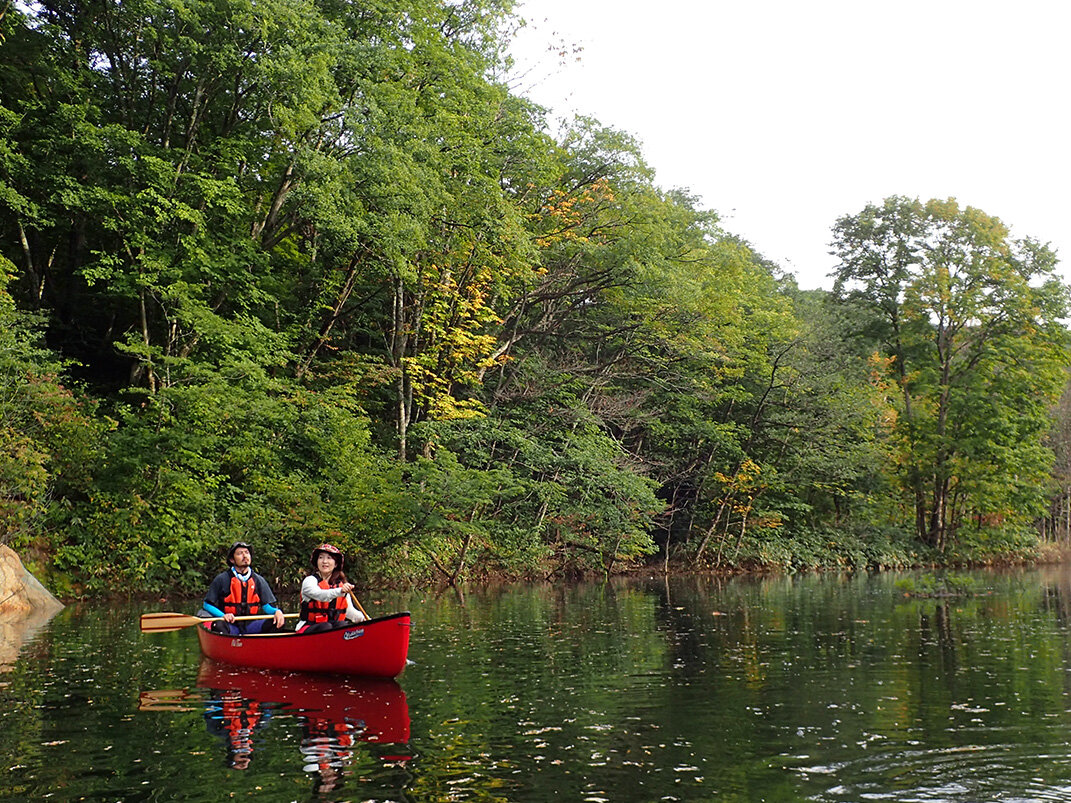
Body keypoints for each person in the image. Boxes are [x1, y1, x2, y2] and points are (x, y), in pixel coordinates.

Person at [199, 541, 287, 635]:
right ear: (232, 560)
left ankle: (263, 646)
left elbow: (266, 606)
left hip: (251, 626)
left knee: (278, 622)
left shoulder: (258, 580)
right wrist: (223, 616)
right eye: (240, 553)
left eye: (247, 552)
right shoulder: (222, 579)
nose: (245, 556)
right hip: (230, 625)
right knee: (218, 625)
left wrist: (276, 611)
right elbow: (207, 604)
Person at [296, 543, 366, 634]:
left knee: (342, 625)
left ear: (336, 564)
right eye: (321, 558)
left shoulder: (340, 585)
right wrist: (340, 591)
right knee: (326, 626)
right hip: (308, 627)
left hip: (331, 627)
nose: (324, 561)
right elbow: (320, 595)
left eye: (329, 558)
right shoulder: (309, 581)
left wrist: (365, 619)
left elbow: (349, 611)